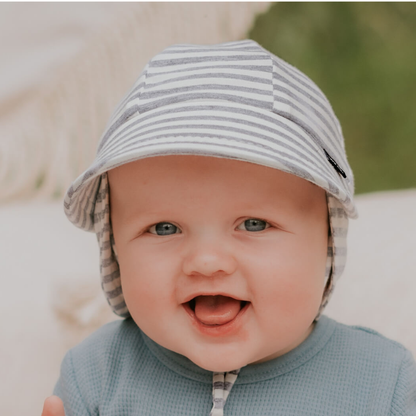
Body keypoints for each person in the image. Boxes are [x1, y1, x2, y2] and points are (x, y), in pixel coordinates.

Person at [41, 40, 416, 416]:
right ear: (114, 249)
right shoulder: (95, 375)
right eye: (164, 228)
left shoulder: (383, 383)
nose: (206, 262)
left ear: (329, 241)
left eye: (253, 224)